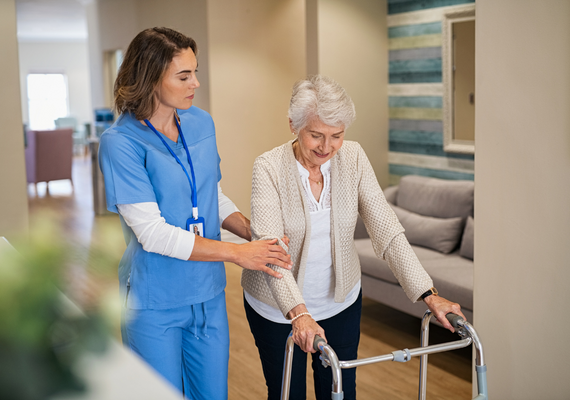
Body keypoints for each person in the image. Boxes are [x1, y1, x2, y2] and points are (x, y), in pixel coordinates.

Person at [241, 75, 465, 400]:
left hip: (339, 301)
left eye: (337, 135)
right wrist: (299, 313)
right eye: (316, 135)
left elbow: (387, 229)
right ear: (293, 125)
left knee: (340, 392)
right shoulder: (269, 167)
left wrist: (429, 294)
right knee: (288, 393)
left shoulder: (354, 158)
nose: (326, 147)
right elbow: (272, 250)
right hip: (277, 308)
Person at [98, 27, 292, 399]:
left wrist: (252, 233)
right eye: (184, 76)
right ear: (150, 77)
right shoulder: (119, 144)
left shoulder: (201, 122)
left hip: (207, 294)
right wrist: (239, 253)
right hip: (155, 301)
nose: (196, 83)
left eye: (195, 72)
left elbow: (210, 195)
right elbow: (152, 233)